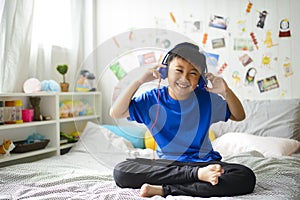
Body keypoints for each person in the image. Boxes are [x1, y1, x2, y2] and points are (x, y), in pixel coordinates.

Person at [109, 42, 256, 198]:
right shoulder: (152, 99)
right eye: (179, 70)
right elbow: (116, 112)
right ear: (165, 72)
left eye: (193, 73)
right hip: (168, 167)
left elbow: (239, 116)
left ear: (200, 78)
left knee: (245, 176)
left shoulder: (206, 99)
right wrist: (139, 81)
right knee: (122, 171)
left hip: (204, 163)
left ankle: (165, 190)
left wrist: (226, 92)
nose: (184, 78)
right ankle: (196, 176)